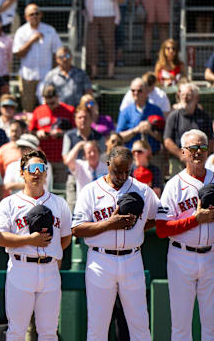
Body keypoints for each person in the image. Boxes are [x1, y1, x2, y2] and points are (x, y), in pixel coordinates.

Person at [155, 129, 214, 341]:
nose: (197, 152)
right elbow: (162, 230)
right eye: (192, 148)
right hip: (181, 258)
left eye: (202, 147)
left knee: (212, 326)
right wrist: (194, 220)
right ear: (183, 152)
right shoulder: (173, 185)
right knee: (180, 326)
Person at [72, 146, 158, 340]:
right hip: (100, 261)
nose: (122, 175)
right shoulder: (90, 191)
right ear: (108, 164)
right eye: (118, 171)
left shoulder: (142, 190)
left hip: (132, 259)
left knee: (140, 325)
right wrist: (109, 224)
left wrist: (137, 227)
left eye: (127, 171)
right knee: (97, 326)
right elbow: (76, 229)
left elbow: (157, 218)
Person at [0, 149, 72, 340]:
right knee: (17, 330)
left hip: (50, 271)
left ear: (46, 172)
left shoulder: (59, 203)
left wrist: (52, 254)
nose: (37, 172)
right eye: (32, 168)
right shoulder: (9, 203)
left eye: (41, 168)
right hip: (20, 268)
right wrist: (29, 240)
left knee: (49, 331)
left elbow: (66, 237)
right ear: (22, 172)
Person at [75, 0, 124, 79]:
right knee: (92, 44)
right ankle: (94, 72)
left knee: (109, 44)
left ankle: (110, 73)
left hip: (109, 16)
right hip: (93, 18)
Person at [13, 3, 62, 112]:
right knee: (28, 107)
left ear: (41, 15)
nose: (34, 16)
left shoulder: (50, 30)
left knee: (47, 106)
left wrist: (54, 72)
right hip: (28, 76)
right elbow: (18, 54)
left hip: (46, 75)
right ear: (26, 17)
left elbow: (58, 52)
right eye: (31, 14)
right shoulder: (21, 32)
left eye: (36, 13)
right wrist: (31, 41)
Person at [30, 85, 74, 182]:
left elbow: (75, 131)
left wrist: (62, 133)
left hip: (61, 158)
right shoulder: (38, 111)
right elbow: (30, 132)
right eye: (47, 103)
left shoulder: (69, 111)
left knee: (60, 188)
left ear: (58, 97)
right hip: (43, 158)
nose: (50, 105)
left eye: (53, 102)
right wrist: (38, 133)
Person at [164, 82, 214, 164]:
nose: (185, 98)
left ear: (197, 98)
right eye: (183, 95)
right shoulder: (173, 116)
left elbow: (211, 139)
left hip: (200, 161)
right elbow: (167, 140)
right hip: (178, 162)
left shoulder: (205, 117)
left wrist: (203, 155)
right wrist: (181, 155)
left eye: (189, 95)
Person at [117, 78, 165, 154]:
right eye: (133, 91)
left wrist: (150, 131)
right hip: (132, 157)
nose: (136, 93)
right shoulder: (126, 111)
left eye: (139, 91)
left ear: (147, 92)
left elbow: (164, 137)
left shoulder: (156, 110)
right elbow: (119, 137)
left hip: (153, 155)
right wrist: (136, 130)